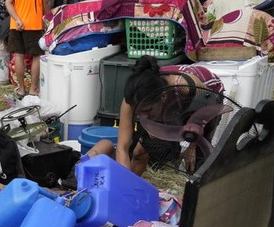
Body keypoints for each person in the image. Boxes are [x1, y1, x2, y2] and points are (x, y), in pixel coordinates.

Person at [89, 56, 224, 175]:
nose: (144, 117)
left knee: (195, 161)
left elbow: (205, 111)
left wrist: (193, 144)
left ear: (163, 98)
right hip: (168, 104)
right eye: (139, 113)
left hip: (206, 100)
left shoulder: (184, 87)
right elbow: (122, 148)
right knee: (138, 153)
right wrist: (125, 183)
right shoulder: (130, 101)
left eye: (147, 111)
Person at [5, 0, 48, 98]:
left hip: (16, 25)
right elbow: (46, 3)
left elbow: (8, 3)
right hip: (34, 24)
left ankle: (21, 89)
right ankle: (33, 89)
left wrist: (17, 20)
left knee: (19, 55)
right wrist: (47, 20)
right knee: (37, 56)